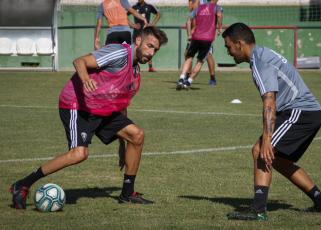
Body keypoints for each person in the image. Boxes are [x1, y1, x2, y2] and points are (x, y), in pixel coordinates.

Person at [10, 26, 168, 209]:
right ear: (138, 41)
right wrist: (86, 80)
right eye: (149, 46)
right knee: (79, 154)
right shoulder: (118, 53)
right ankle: (22, 184)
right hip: (77, 105)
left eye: (155, 49)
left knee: (136, 135)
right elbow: (79, 61)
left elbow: (120, 105)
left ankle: (127, 193)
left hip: (102, 109)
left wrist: (122, 145)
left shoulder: (135, 73)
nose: (151, 52)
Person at [222, 23, 321, 221]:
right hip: (307, 112)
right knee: (280, 161)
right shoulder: (263, 53)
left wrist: (267, 138)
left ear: (239, 44)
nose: (229, 52)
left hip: (301, 112)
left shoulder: (259, 61)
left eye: (229, 47)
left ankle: (258, 210)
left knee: (260, 151)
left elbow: (269, 102)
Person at [176, 0, 222, 90]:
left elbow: (188, 20)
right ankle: (188, 82)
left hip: (196, 37)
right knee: (200, 61)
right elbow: (219, 15)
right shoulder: (217, 7)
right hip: (207, 39)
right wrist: (220, 27)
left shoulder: (198, 8)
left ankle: (181, 78)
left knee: (189, 57)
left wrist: (189, 34)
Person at [187, 0, 220, 86]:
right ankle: (187, 75)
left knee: (208, 55)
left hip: (207, 33)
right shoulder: (197, 5)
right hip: (196, 34)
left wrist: (218, 28)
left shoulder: (212, 5)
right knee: (188, 54)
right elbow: (191, 13)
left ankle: (212, 77)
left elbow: (218, 13)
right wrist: (190, 33)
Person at [131, 0, 161, 72]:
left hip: (146, 32)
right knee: (136, 48)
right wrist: (133, 25)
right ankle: (133, 65)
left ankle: (150, 67)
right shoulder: (134, 7)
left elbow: (158, 14)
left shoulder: (149, 6)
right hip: (137, 32)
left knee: (149, 48)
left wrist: (152, 24)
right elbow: (124, 15)